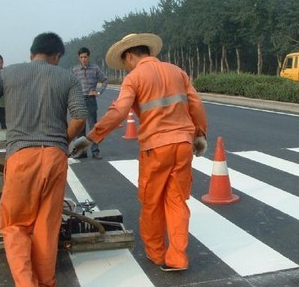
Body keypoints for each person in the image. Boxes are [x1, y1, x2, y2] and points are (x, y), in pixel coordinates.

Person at [0, 32, 88, 287]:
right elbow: (80, 116)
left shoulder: (9, 74)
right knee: (46, 224)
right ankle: (44, 286)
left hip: (20, 156)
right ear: (56, 56)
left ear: (32, 53)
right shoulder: (66, 77)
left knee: (15, 223)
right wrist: (61, 142)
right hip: (55, 157)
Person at [72, 33, 208, 272]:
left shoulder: (135, 77)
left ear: (130, 56)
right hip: (183, 144)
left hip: (156, 148)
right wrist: (200, 135)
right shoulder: (178, 71)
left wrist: (91, 137)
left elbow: (118, 112)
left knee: (152, 201)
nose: (125, 68)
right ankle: (177, 257)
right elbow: (196, 104)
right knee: (177, 201)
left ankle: (156, 254)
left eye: (125, 63)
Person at [72, 47, 108, 159]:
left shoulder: (95, 68)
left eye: (85, 57)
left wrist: (98, 92)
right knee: (80, 128)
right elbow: (71, 84)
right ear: (79, 58)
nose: (83, 59)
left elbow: (105, 80)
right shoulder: (75, 70)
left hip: (91, 100)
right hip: (79, 100)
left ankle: (95, 151)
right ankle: (81, 152)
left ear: (89, 57)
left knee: (93, 127)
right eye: (81, 57)